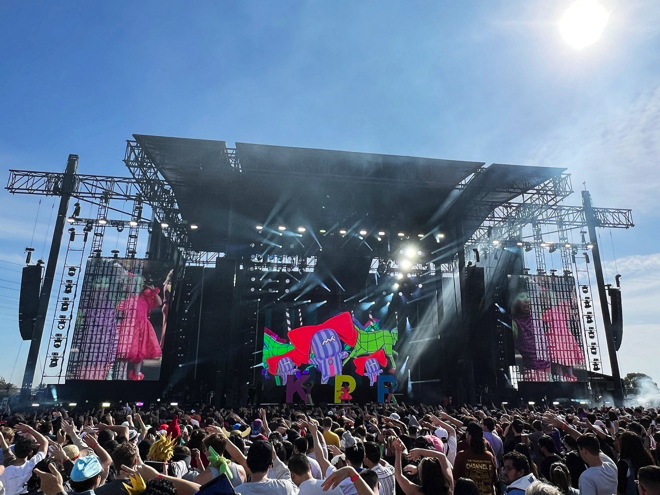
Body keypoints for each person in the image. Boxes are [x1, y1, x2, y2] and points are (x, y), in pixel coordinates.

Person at [116, 284, 163, 381]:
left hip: (142, 326)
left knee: (139, 352)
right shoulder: (126, 298)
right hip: (129, 327)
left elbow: (159, 303)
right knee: (125, 351)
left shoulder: (145, 296)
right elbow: (118, 310)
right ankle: (121, 374)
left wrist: (153, 291)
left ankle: (136, 376)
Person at [0, 424, 48, 495]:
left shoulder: (4, 471)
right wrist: (30, 429)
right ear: (30, 452)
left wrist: (1, 437)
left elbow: (7, 452)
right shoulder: (33, 464)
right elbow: (44, 442)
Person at [452, 422, 498, 495]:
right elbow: (494, 479)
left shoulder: (462, 455)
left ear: (469, 436)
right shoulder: (489, 456)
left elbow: (454, 478)